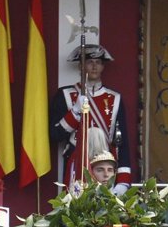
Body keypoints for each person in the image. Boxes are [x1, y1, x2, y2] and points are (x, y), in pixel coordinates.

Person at [50, 43, 134, 192]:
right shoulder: (65, 95)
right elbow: (54, 134)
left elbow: (122, 143)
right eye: (89, 62)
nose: (94, 67)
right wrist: (75, 112)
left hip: (107, 166)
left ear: (103, 66)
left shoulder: (115, 98)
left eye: (98, 63)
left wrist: (123, 181)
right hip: (76, 163)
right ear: (81, 66)